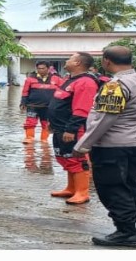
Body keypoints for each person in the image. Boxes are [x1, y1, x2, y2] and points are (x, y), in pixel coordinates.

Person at [75, 46, 136, 247]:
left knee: (112, 189)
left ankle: (126, 232)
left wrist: (83, 145)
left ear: (106, 61)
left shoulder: (115, 86)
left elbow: (105, 119)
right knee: (133, 186)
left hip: (111, 146)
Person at [47, 51, 101, 206]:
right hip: (59, 127)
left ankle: (82, 192)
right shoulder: (70, 80)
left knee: (76, 158)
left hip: (73, 129)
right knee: (65, 157)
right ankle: (71, 188)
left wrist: (71, 129)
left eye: (70, 58)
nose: (66, 60)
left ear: (78, 63)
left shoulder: (85, 82)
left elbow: (81, 109)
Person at [21, 60, 58, 142]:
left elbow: (62, 92)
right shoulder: (30, 79)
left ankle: (44, 140)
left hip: (48, 106)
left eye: (43, 68)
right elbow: (25, 91)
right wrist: (23, 102)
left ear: (48, 68)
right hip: (32, 105)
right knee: (30, 122)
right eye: (39, 68)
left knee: (46, 123)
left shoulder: (56, 79)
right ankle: (29, 138)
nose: (41, 70)